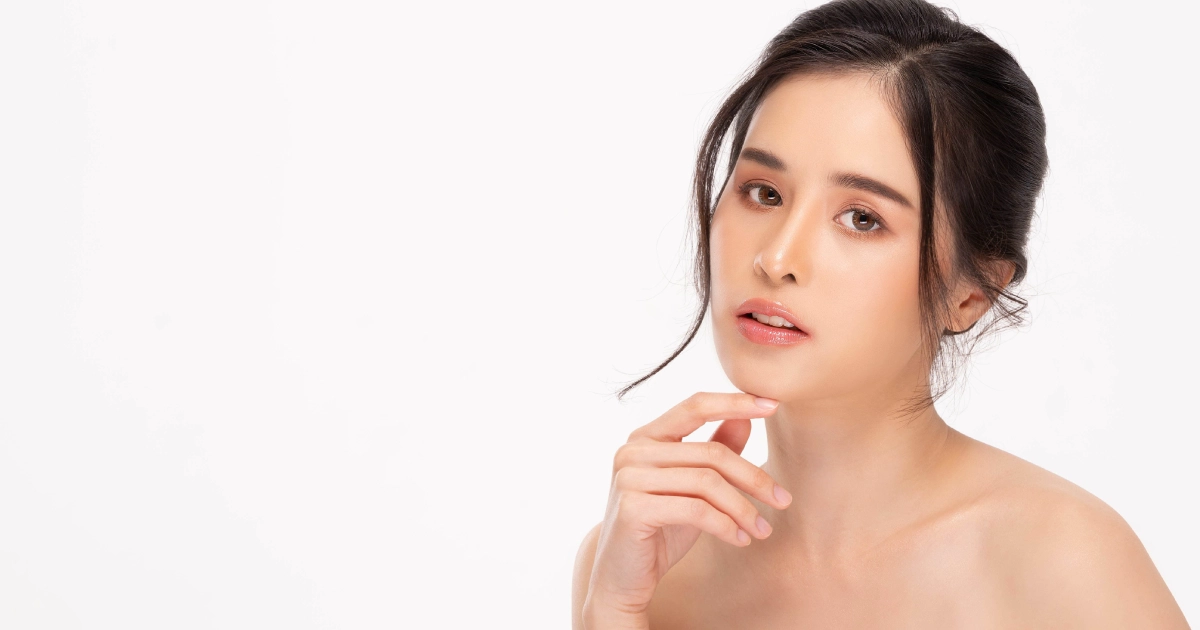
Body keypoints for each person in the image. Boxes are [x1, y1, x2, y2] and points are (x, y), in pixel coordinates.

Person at [570, 0, 1191, 627]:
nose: (777, 257)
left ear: (968, 295)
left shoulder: (1063, 561)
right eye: (764, 193)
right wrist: (614, 610)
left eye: (862, 218)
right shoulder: (644, 562)